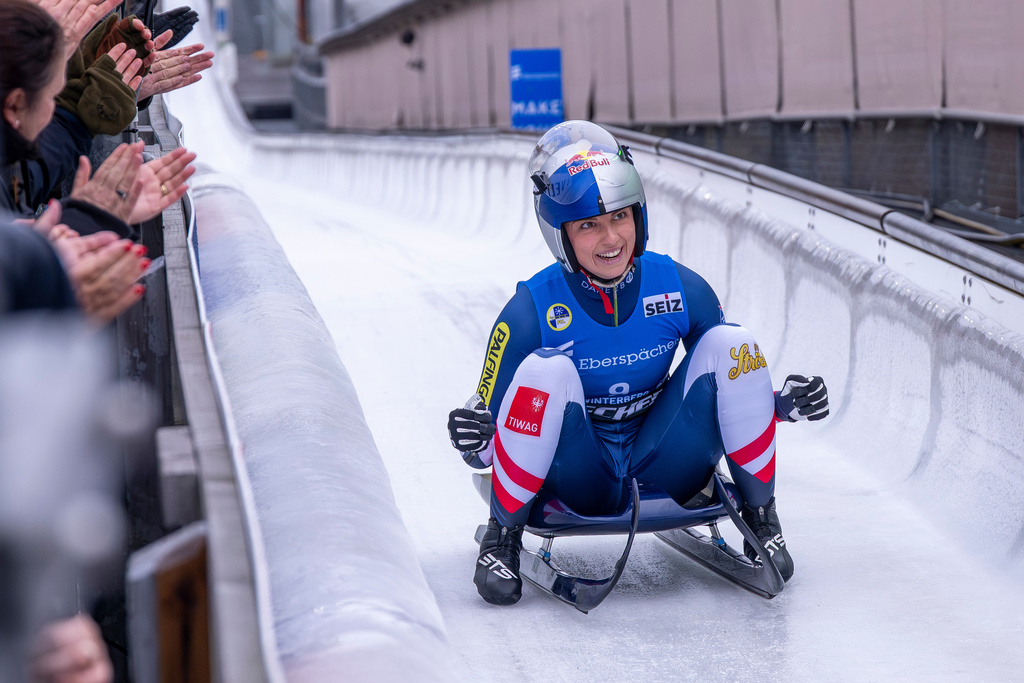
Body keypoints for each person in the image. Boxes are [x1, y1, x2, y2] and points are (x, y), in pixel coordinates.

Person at [447, 121, 829, 606]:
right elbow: (489, 436)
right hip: (580, 477)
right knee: (549, 370)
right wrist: (473, 441)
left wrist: (783, 405)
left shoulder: (680, 288)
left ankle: (762, 517)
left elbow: (730, 390)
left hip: (666, 463)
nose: (611, 239)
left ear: (640, 218)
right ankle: (501, 539)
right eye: (588, 224)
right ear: (559, 233)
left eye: (620, 217)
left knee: (735, 344)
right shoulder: (528, 312)